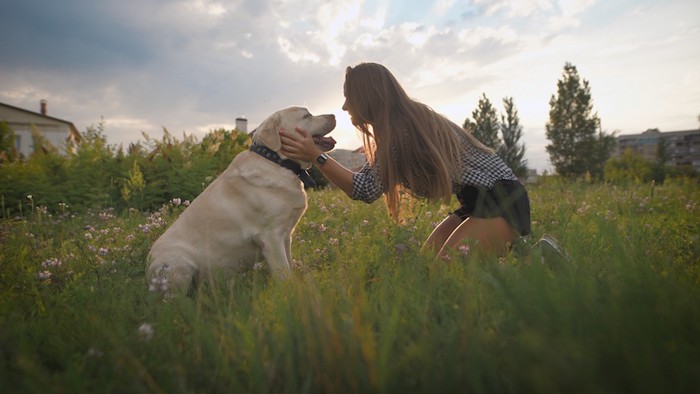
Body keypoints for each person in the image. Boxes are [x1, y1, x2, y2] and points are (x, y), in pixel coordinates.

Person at [279, 62, 531, 258]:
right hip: (476, 202)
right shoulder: (402, 125)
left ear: (368, 97)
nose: (345, 107)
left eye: (349, 98)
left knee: (444, 269)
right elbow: (367, 179)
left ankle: (534, 254)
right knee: (427, 263)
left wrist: (316, 156)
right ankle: (530, 254)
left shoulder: (402, 131)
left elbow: (364, 190)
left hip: (502, 200)